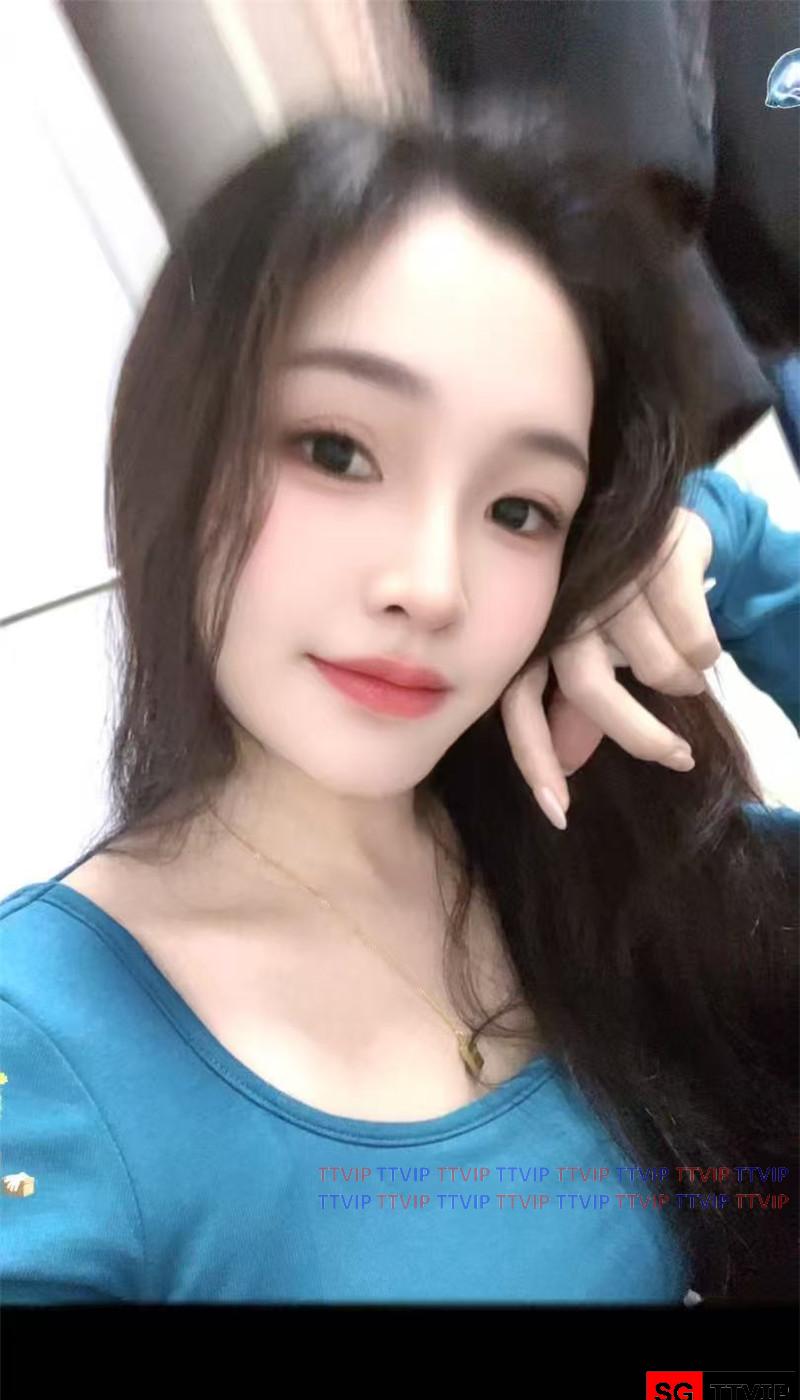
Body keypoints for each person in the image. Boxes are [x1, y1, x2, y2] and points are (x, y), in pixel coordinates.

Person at [1, 96, 797, 1305]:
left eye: (519, 509)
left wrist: (712, 541)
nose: (431, 586)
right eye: (336, 450)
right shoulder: (44, 1055)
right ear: (178, 438)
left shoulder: (597, 856)